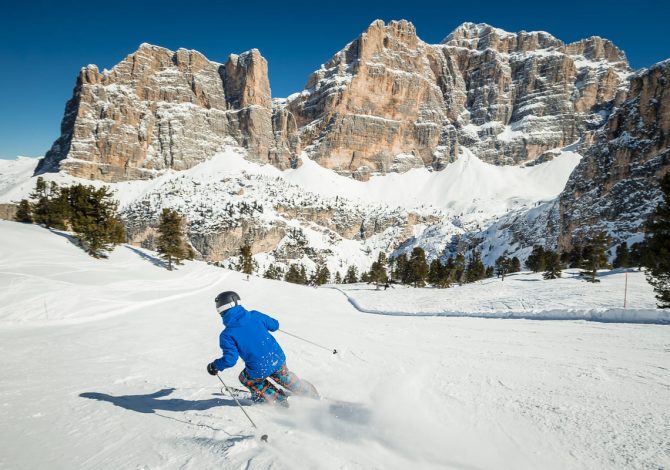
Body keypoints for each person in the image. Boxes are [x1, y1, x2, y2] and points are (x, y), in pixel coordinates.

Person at [206, 291, 319, 407]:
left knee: (245, 378)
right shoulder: (255, 315)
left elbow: (230, 359)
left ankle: (277, 399)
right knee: (285, 377)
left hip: (258, 368)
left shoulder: (227, 334)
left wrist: (215, 366)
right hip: (277, 358)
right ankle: (309, 393)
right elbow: (275, 325)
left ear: (221, 310)